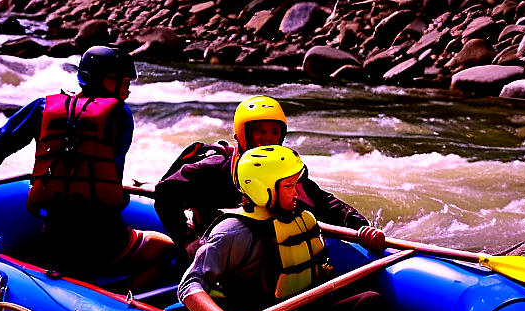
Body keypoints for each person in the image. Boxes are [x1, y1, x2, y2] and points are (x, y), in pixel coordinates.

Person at [0, 45, 173, 291]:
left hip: (54, 237)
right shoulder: (120, 115)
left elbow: (5, 139)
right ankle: (122, 299)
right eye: (122, 83)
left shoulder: (43, 107)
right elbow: (111, 168)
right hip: (105, 239)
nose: (128, 91)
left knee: (56, 240)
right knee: (164, 247)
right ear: (105, 81)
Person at [177, 145, 387, 311]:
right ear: (262, 189)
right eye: (289, 186)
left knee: (369, 302)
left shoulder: (296, 216)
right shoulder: (232, 231)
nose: (297, 193)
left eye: (296, 184)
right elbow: (188, 286)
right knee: (369, 302)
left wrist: (366, 234)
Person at [154, 94, 385, 258]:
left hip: (262, 249)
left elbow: (322, 201)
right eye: (260, 132)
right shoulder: (216, 167)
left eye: (274, 132)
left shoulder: (283, 170)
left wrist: (360, 227)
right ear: (244, 133)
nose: (268, 139)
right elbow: (165, 192)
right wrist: (187, 240)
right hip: (218, 251)